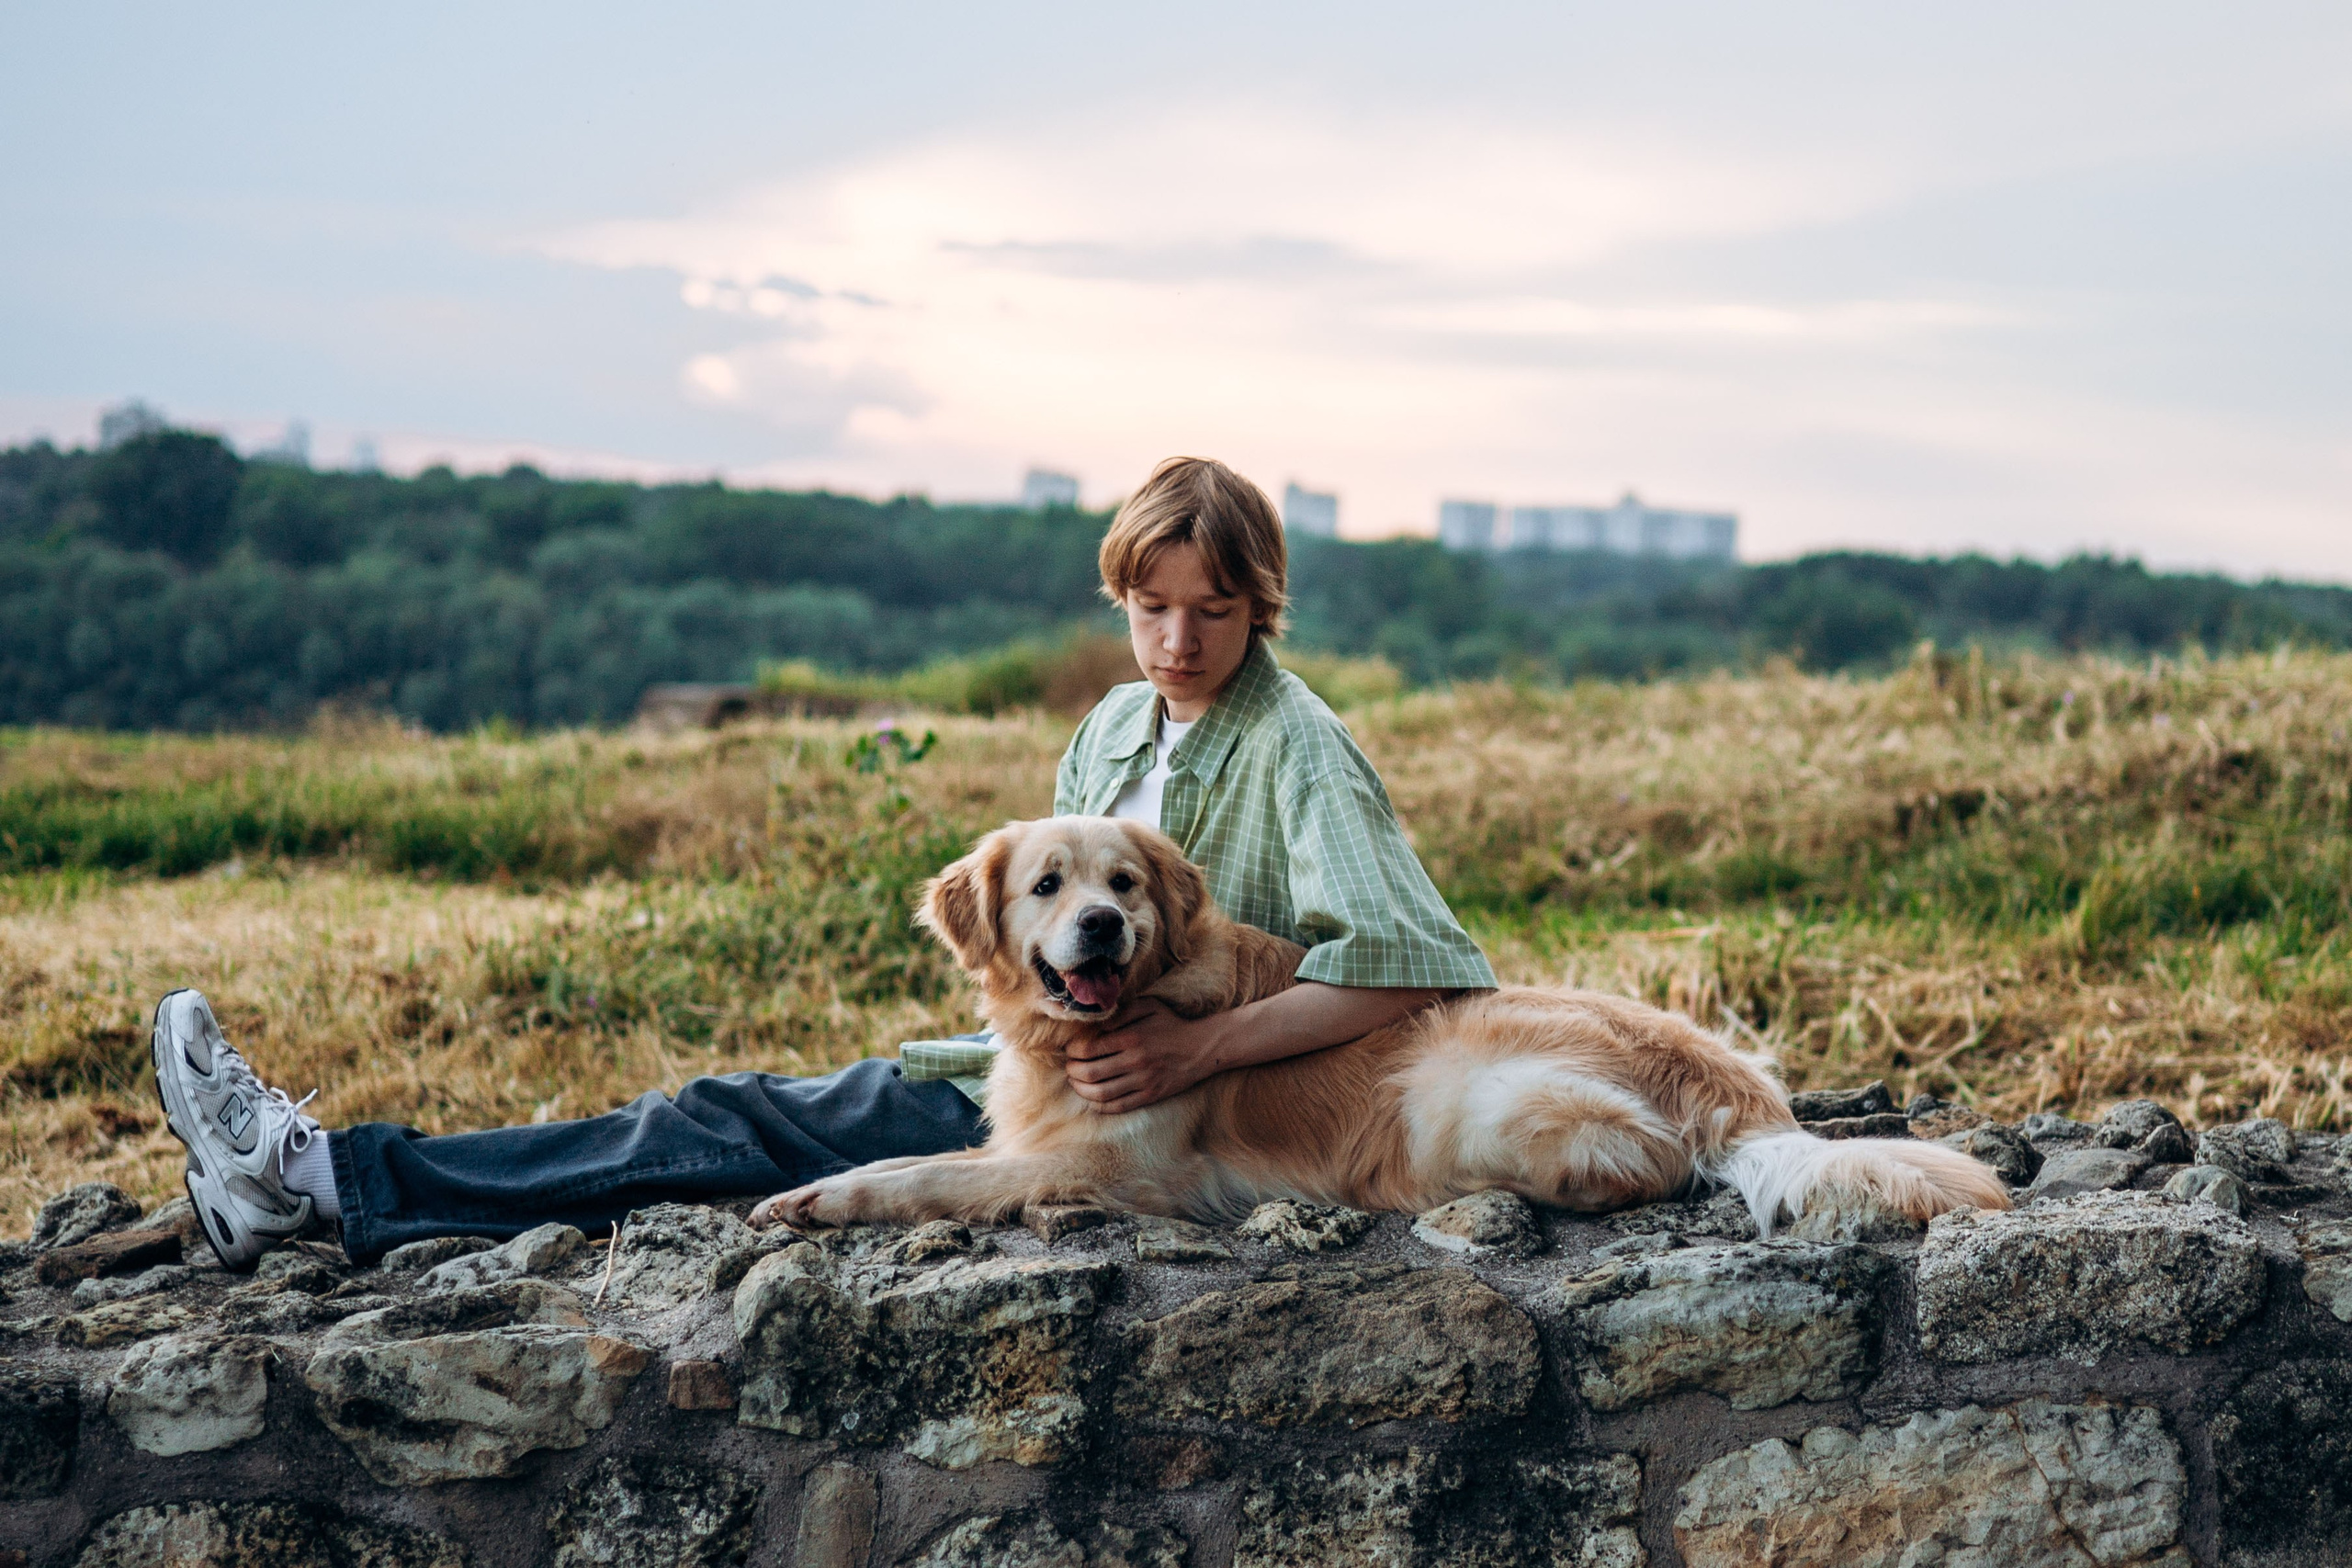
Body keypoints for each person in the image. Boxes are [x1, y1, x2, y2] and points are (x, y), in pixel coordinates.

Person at [151, 457, 1497, 1269]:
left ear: (1260, 604)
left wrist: (1201, 1052)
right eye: (1151, 609)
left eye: (1213, 612)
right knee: (721, 1113)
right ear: (1120, 600)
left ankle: (317, 1181)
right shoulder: (1113, 727)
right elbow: (1044, 944)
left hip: (1163, 1125)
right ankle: (329, 1178)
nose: (1179, 641)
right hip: (1033, 1082)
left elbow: (1422, 976)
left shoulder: (1300, 747)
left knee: (717, 1134)